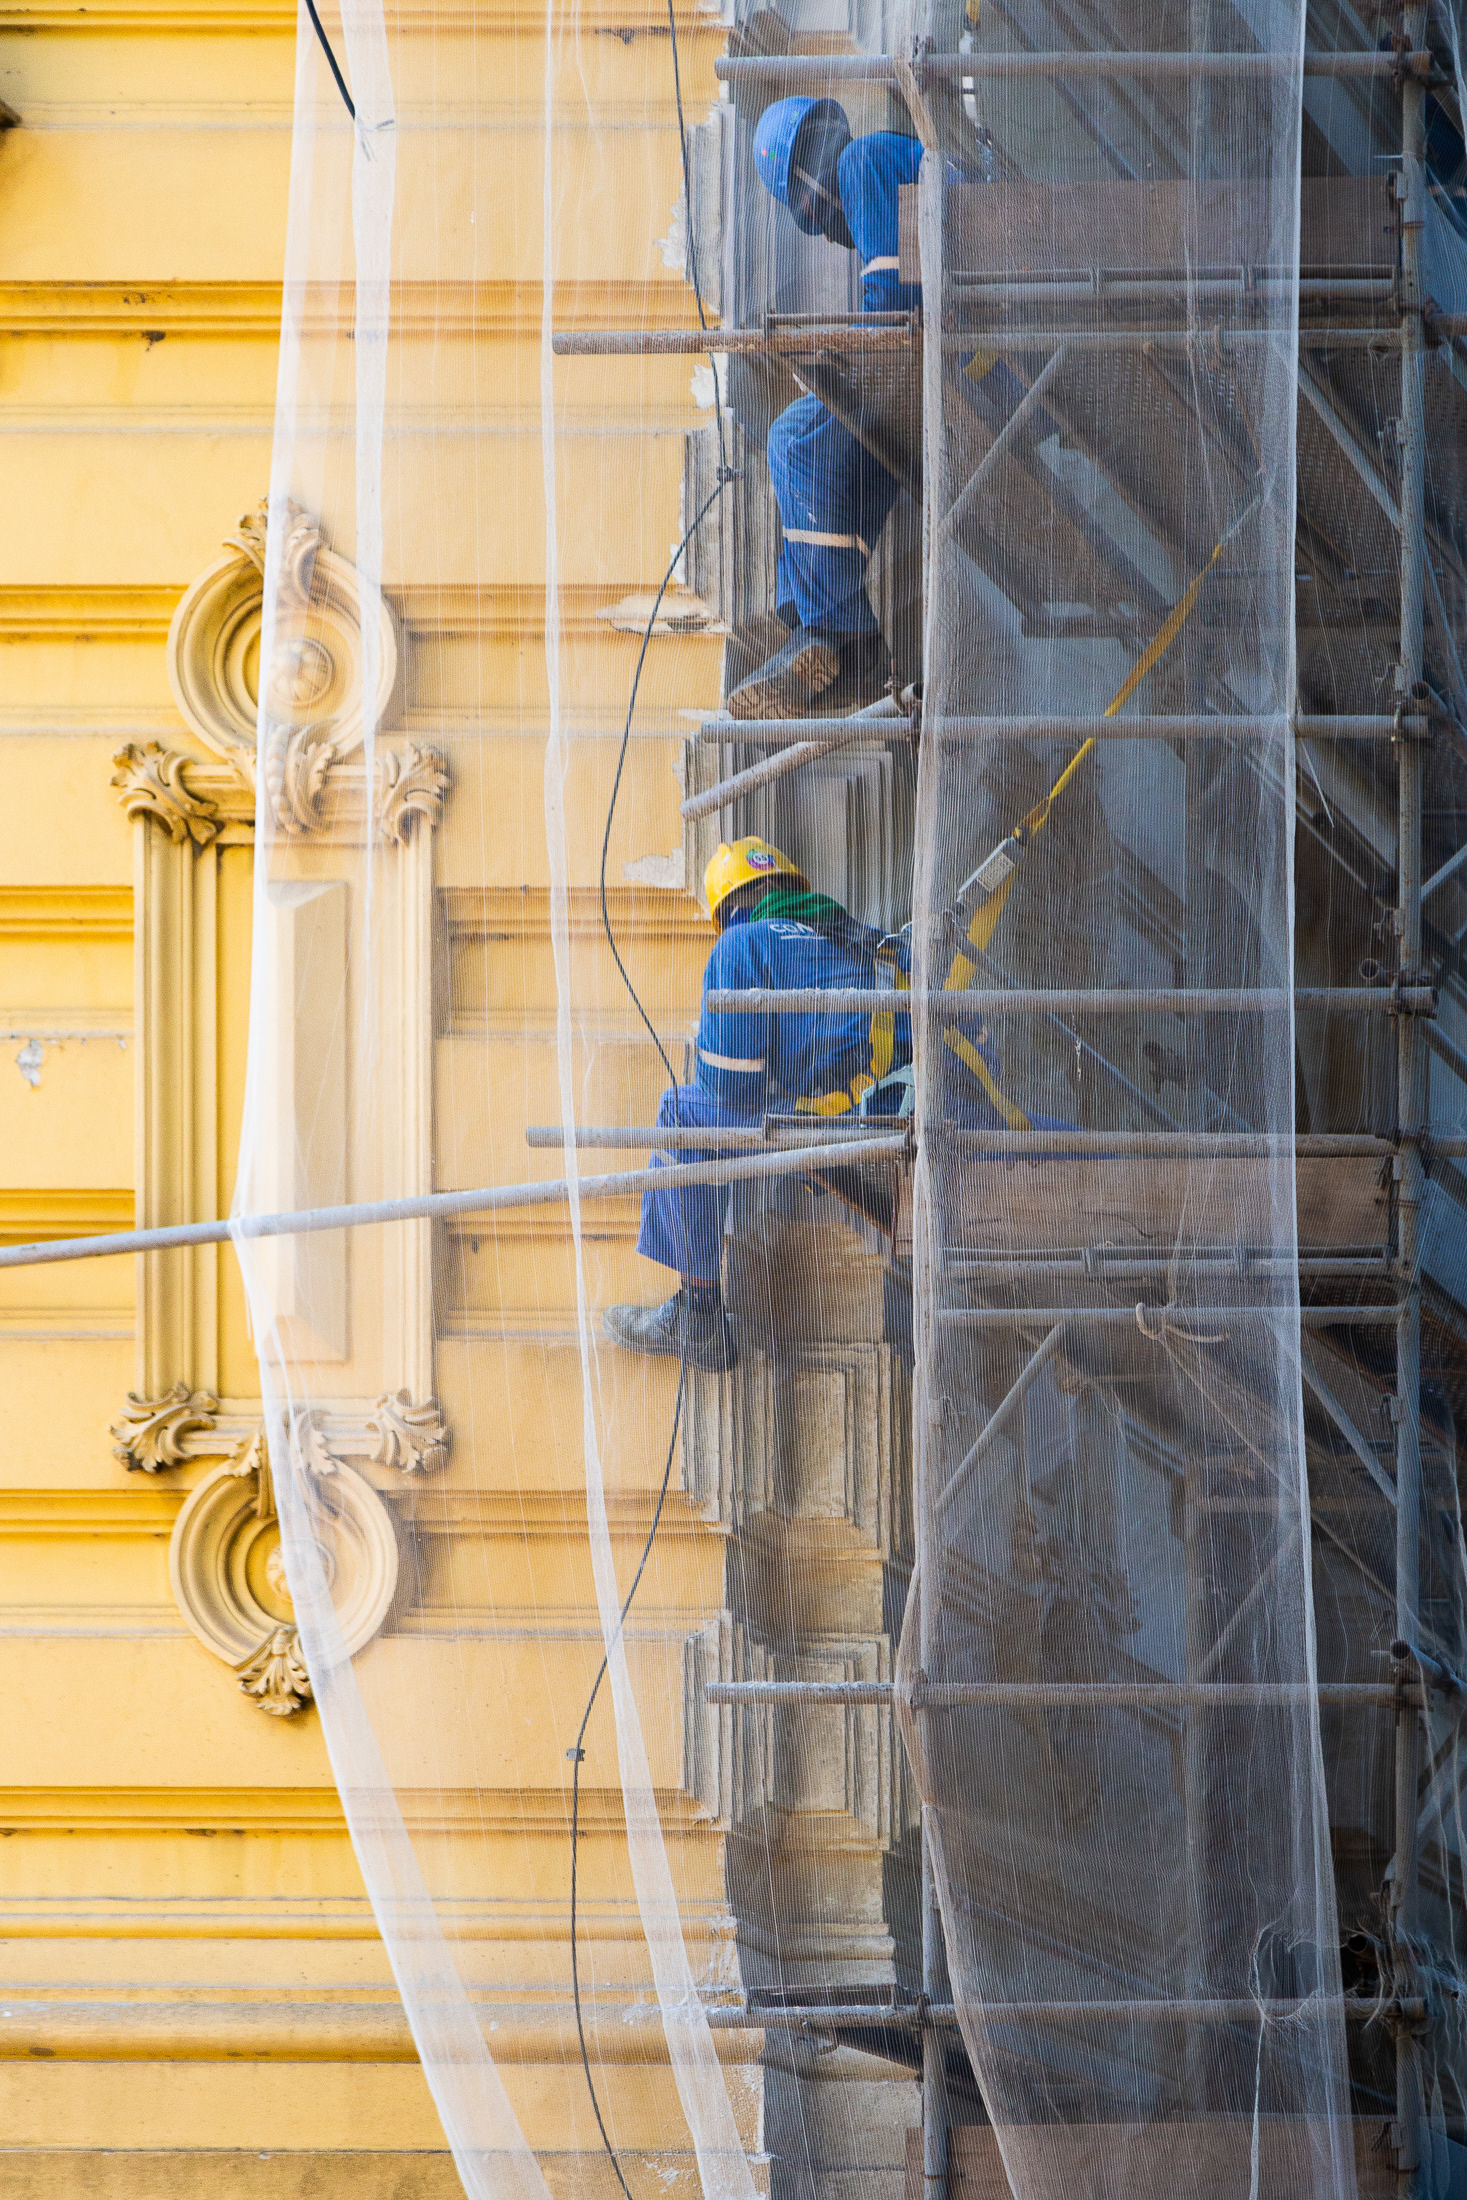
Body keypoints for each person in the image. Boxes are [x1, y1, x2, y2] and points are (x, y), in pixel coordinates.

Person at [602, 836, 1020, 1372]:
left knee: (684, 1113)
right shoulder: (856, 938)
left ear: (730, 908)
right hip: (940, 1104)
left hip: (867, 1115)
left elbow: (729, 1090)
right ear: (788, 887)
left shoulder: (742, 945)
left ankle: (699, 1311)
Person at [726, 97, 923, 722]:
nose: (817, 219)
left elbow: (887, 299)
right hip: (957, 351)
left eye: (807, 206)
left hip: (953, 348)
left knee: (793, 438)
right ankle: (826, 634)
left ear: (810, 191)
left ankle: (841, 637)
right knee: (864, 457)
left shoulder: (865, 162)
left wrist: (839, 358)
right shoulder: (873, 168)